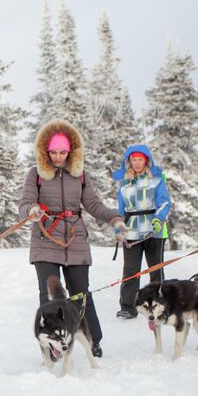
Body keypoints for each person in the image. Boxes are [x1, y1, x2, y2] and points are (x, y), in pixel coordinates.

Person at [18, 119, 126, 358]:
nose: (58, 157)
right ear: (46, 151)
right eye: (54, 152)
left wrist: (115, 220)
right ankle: (50, 346)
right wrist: (31, 210)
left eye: (63, 152)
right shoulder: (35, 174)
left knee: (80, 294)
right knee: (49, 297)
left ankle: (92, 340)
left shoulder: (81, 176)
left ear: (71, 152)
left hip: (75, 240)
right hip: (45, 240)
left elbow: (94, 205)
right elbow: (25, 204)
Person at [112, 144, 171, 319]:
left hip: (154, 230)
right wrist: (118, 227)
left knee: (156, 270)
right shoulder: (124, 183)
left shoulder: (157, 179)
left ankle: (159, 306)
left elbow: (165, 202)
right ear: (129, 161)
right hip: (131, 230)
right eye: (134, 159)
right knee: (131, 269)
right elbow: (120, 209)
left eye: (140, 159)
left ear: (146, 160)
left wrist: (159, 219)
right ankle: (128, 307)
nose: (137, 163)